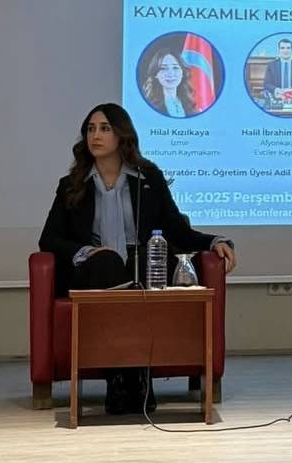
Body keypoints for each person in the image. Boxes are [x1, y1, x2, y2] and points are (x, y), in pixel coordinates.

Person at [39, 103, 237, 414]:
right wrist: (88, 252)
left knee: (149, 259)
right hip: (96, 269)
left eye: (105, 128)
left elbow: (177, 230)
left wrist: (216, 241)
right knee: (107, 263)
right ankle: (124, 378)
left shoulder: (148, 178)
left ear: (122, 135)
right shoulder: (72, 185)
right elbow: (49, 239)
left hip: (142, 265)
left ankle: (132, 378)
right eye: (90, 129)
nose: (95, 135)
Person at [142, 51, 196, 117]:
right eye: (163, 68)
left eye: (175, 68)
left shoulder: (188, 103)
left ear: (183, 72)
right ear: (155, 74)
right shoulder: (149, 106)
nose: (171, 74)